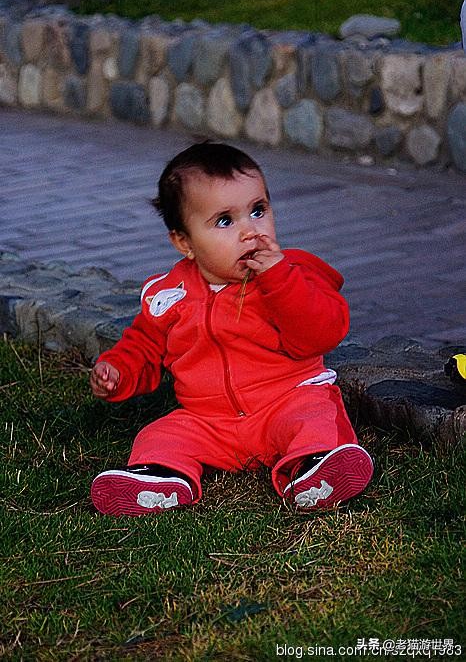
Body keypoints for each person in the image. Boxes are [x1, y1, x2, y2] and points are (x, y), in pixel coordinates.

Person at [90, 142, 373, 516]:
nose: (250, 232)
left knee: (315, 414)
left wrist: (279, 280)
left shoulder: (292, 274)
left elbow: (322, 332)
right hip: (210, 421)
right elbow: (143, 345)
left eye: (258, 210)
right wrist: (118, 371)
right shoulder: (170, 295)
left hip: (284, 402)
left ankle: (315, 468)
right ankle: (160, 478)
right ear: (184, 242)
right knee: (160, 434)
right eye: (225, 221)